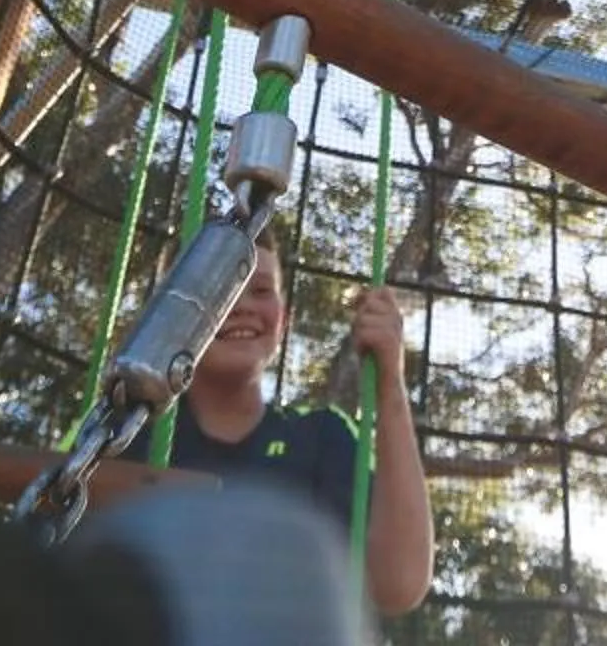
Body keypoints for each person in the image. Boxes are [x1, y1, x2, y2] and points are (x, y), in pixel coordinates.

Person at [156, 232, 433, 616]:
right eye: (217, 285)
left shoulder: (322, 437)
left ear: (284, 321)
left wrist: (389, 379)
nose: (240, 305)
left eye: (261, 290)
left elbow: (398, 583)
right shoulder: (123, 432)